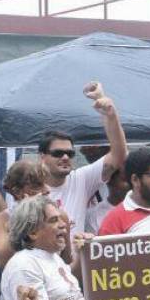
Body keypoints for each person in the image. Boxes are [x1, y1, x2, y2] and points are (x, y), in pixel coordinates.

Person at [37, 81, 128, 240]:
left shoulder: (80, 179)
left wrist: (109, 113)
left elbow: (119, 155)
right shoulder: (30, 187)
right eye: (58, 153)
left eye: (70, 153)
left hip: (75, 263)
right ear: (42, 156)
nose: (65, 157)